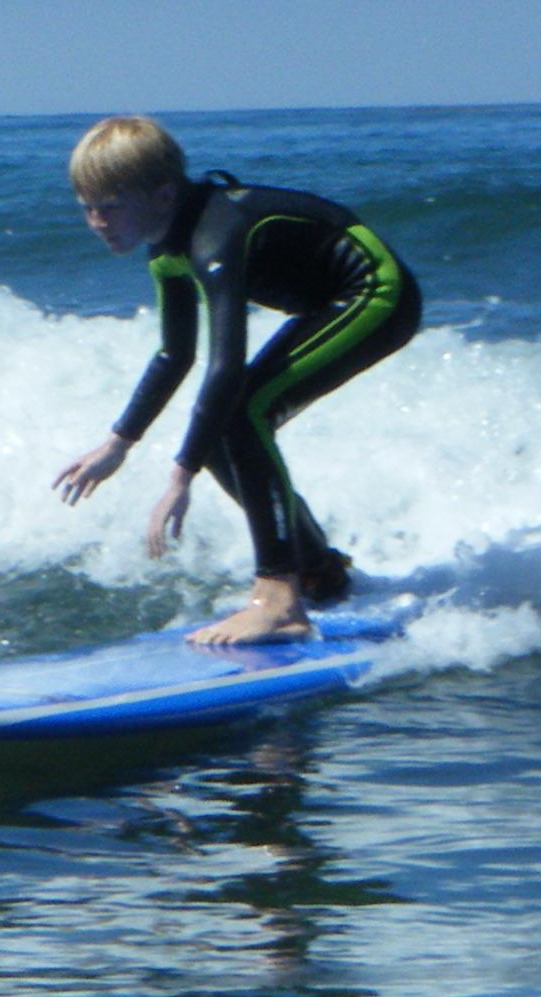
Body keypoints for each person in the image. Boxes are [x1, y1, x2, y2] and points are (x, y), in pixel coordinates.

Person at [50, 115, 419, 647]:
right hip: (327, 301)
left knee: (242, 410)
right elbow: (175, 355)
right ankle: (319, 574)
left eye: (109, 207)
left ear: (163, 194)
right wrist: (117, 444)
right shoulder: (166, 247)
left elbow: (225, 365)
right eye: (86, 208)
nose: (96, 222)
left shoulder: (215, 235)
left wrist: (180, 478)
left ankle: (280, 599)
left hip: (376, 293)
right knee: (229, 420)